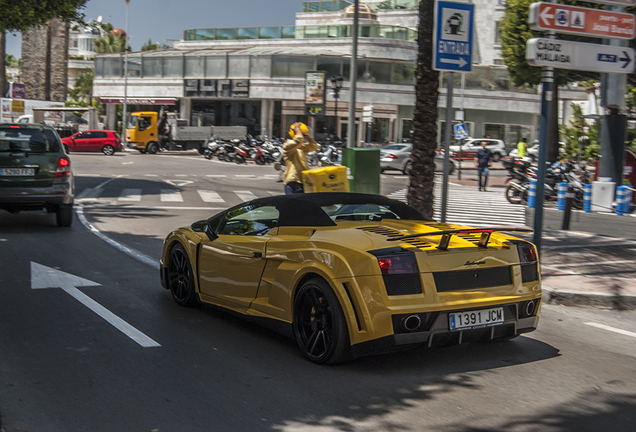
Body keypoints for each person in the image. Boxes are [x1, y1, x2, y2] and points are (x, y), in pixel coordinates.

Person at [282, 122, 319, 194]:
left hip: (303, 181)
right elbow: (298, 140)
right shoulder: (288, 145)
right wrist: (297, 129)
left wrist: (308, 135)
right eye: (302, 134)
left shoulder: (301, 147)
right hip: (293, 181)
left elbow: (314, 146)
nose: (303, 137)